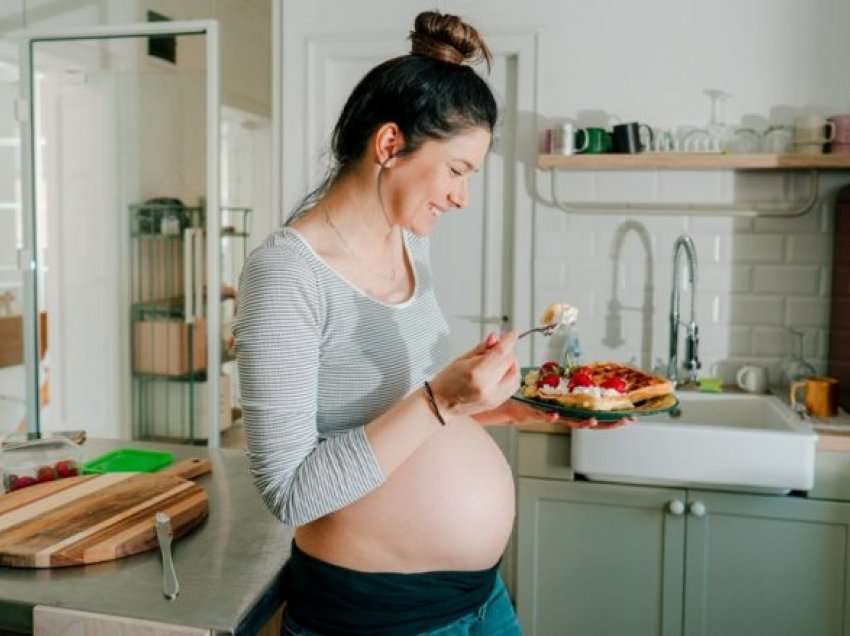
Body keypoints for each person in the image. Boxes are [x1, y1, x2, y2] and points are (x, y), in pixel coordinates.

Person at [235, 11, 622, 635]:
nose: (462, 197)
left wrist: (507, 406)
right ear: (389, 146)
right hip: (378, 617)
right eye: (457, 170)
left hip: (479, 598)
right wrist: (444, 396)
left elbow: (400, 419)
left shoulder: (409, 244)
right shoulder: (287, 274)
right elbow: (290, 492)